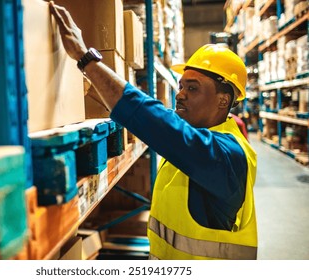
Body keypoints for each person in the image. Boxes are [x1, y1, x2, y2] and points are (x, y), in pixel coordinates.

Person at [48, 1, 258, 260]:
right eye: (181, 86)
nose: (180, 95)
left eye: (192, 88)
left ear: (224, 100)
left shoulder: (227, 155)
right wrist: (89, 87)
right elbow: (157, 117)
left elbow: (157, 122)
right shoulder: (200, 133)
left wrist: (87, 60)